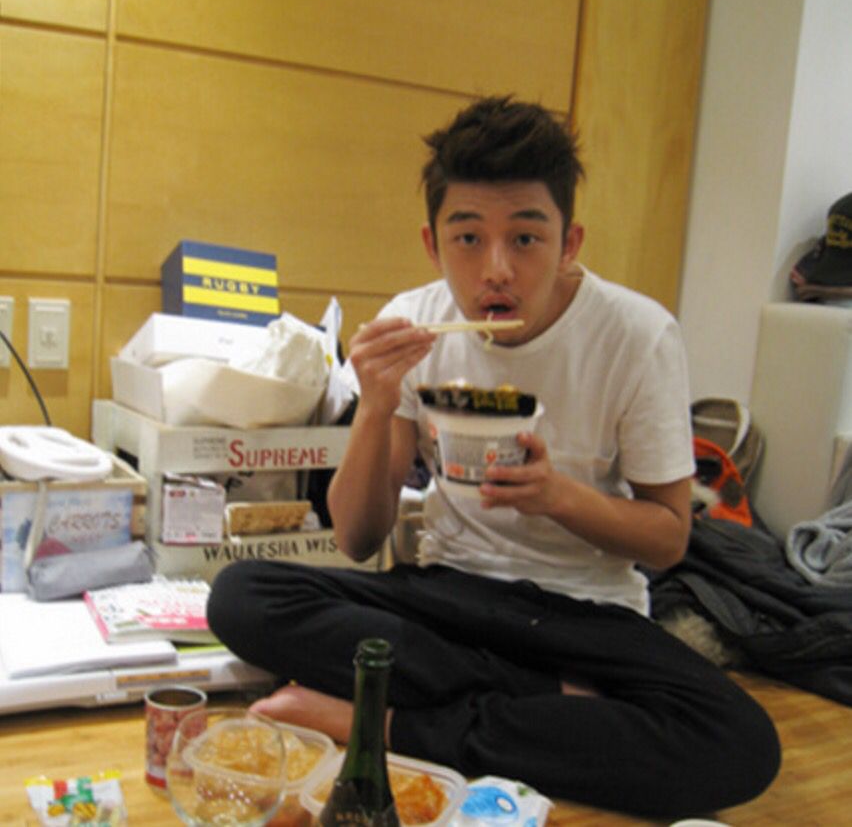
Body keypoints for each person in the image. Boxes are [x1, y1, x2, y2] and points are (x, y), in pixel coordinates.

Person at [207, 96, 780, 819]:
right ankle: (548, 703)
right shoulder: (414, 321)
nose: (496, 269)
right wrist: (376, 405)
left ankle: (383, 722)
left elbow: (668, 539)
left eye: (526, 239)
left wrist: (556, 495)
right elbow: (356, 536)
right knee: (242, 594)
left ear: (569, 243)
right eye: (469, 239)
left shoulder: (637, 335)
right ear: (432, 243)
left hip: (583, 617)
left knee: (741, 743)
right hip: (452, 597)